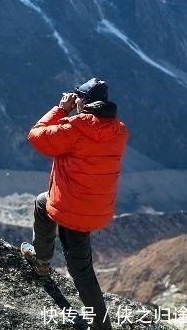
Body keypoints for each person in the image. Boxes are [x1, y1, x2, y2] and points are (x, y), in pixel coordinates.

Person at [21, 78, 128, 330]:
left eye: (78, 96)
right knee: (42, 203)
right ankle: (42, 260)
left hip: (74, 208)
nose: (74, 98)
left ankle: (102, 326)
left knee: (81, 271)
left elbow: (36, 136)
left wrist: (62, 109)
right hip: (97, 207)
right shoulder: (119, 130)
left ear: (85, 101)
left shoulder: (74, 127)